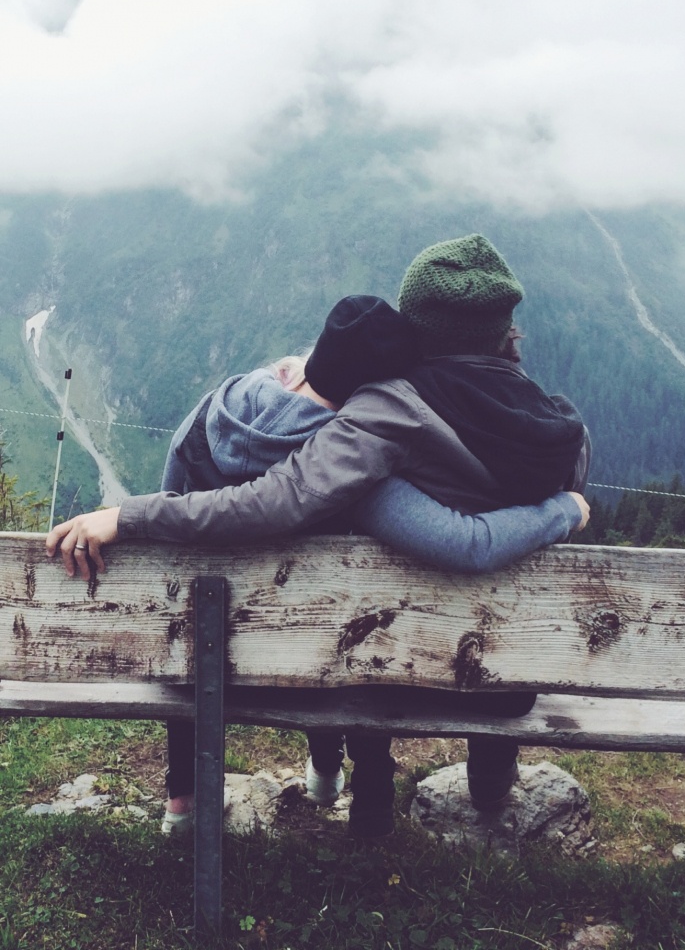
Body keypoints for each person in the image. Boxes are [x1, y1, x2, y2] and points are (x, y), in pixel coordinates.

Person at [47, 235, 590, 836]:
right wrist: (563, 509)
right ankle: (488, 784)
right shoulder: (563, 428)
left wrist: (129, 515)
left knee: (361, 623)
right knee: (469, 634)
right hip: (506, 678)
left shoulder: (390, 411)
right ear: (504, 329)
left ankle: (357, 797)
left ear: (418, 329)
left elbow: (281, 501)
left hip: (393, 667)